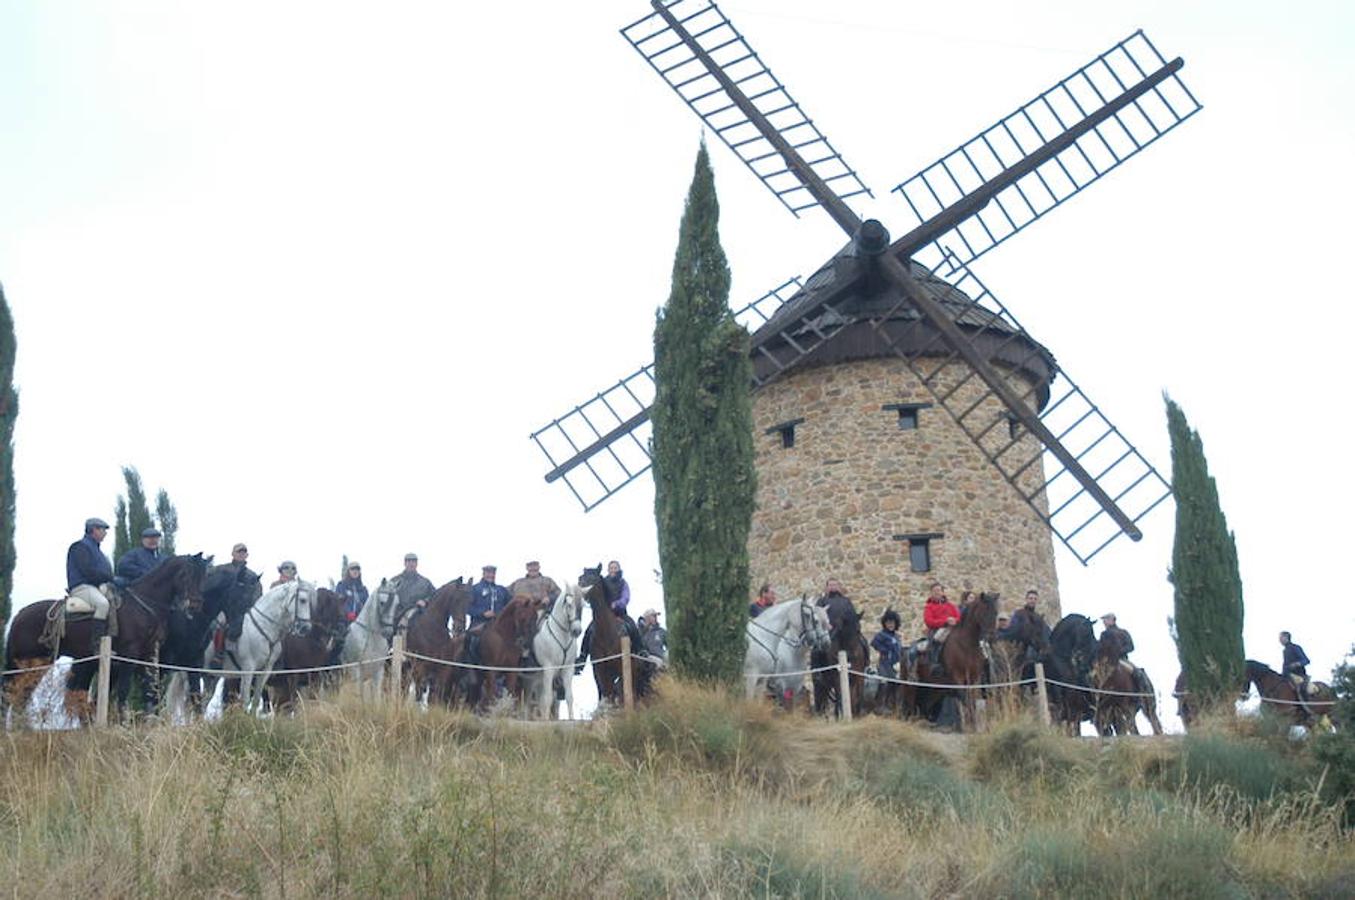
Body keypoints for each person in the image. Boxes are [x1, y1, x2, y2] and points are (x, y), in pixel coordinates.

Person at [65, 517, 114, 643]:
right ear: (94, 530)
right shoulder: (80, 546)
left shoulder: (97, 550)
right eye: (103, 529)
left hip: (97, 587)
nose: (105, 533)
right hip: (82, 587)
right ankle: (97, 643)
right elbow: (87, 571)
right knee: (103, 604)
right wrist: (108, 577)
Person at [922, 582, 960, 673]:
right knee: (937, 639)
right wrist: (945, 621)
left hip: (952, 629)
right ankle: (934, 663)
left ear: (943, 592)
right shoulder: (929, 607)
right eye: (934, 591)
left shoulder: (951, 606)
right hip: (936, 629)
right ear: (931, 593)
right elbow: (929, 621)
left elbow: (958, 617)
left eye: (939, 590)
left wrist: (954, 621)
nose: (937, 592)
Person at [468, 564, 511, 629]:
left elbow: (510, 606)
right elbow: (467, 607)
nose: (491, 575)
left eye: (493, 573)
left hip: (499, 625)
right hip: (478, 625)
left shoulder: (502, 590)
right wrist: (482, 613)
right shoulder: (475, 589)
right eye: (488, 573)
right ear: (483, 574)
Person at [871, 609, 903, 680]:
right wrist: (884, 650)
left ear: (896, 624)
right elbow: (874, 643)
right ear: (885, 624)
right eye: (888, 623)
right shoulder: (881, 634)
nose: (890, 625)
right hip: (885, 664)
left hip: (897, 664)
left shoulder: (896, 636)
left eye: (892, 623)